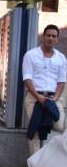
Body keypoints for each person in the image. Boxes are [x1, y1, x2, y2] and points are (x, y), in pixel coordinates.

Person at [23, 24, 66, 155]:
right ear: (43, 37)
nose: (51, 38)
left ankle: (48, 157)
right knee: (35, 129)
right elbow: (27, 79)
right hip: (34, 98)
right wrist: (38, 97)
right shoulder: (30, 55)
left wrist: (55, 98)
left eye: (54, 36)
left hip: (54, 98)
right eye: (48, 35)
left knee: (59, 126)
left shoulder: (61, 58)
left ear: (57, 39)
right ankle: (35, 164)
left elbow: (61, 81)